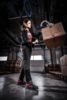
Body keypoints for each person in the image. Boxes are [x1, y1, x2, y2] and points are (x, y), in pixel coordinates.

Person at [17, 19, 41, 90]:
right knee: (27, 64)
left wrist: (41, 33)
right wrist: (33, 42)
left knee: (24, 65)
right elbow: (24, 41)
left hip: (29, 48)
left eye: (30, 23)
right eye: (29, 23)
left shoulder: (29, 31)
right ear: (26, 24)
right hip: (25, 48)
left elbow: (36, 35)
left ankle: (20, 80)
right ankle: (29, 83)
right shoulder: (23, 32)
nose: (30, 24)